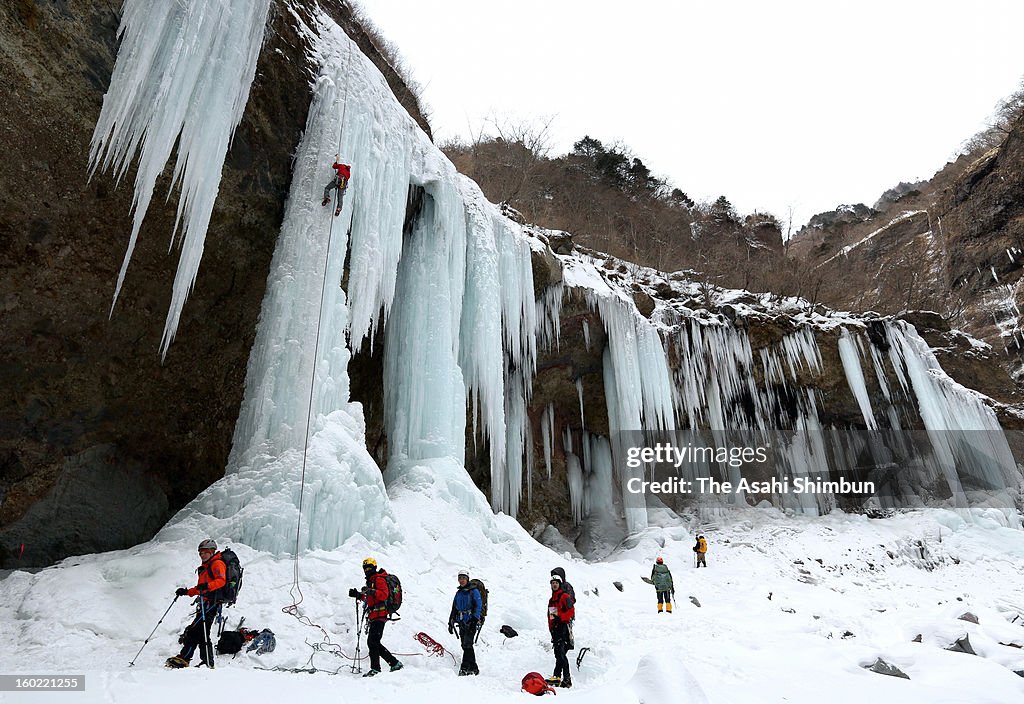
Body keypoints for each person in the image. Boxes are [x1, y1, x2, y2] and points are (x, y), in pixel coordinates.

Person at [165, 539, 226, 668]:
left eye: (204, 552)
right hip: (205, 603)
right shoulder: (206, 567)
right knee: (201, 633)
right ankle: (206, 662)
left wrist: (207, 586)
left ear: (211, 551)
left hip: (212, 603)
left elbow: (221, 581)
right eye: (200, 553)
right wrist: (186, 592)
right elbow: (200, 588)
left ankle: (186, 658)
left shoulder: (217, 564)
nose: (202, 555)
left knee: (195, 631)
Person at [348, 557, 402, 677]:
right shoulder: (372, 581)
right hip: (375, 615)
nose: (367, 570)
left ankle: (377, 668)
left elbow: (383, 595)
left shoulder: (378, 579)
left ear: (374, 567)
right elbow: (371, 599)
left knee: (372, 641)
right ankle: (394, 663)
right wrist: (358, 595)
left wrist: (370, 591)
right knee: (374, 642)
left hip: (380, 615)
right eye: (365, 568)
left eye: (369, 567)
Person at [448, 569, 482, 676]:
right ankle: (474, 667)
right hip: (462, 622)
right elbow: (454, 608)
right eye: (460, 578)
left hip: (471, 621)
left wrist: (474, 620)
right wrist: (451, 621)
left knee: (467, 644)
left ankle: (464, 667)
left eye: (463, 578)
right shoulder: (458, 593)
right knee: (465, 645)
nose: (461, 580)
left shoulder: (474, 591)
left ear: (467, 579)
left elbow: (478, 605)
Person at [546, 574, 575, 688]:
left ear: (560, 584)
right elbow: (552, 617)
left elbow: (571, 610)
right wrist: (551, 629)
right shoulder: (552, 600)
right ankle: (557, 677)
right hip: (556, 629)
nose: (554, 585)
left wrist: (561, 618)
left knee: (561, 654)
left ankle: (567, 679)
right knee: (558, 653)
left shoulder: (564, 596)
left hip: (563, 627)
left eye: (556, 583)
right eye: (553, 583)